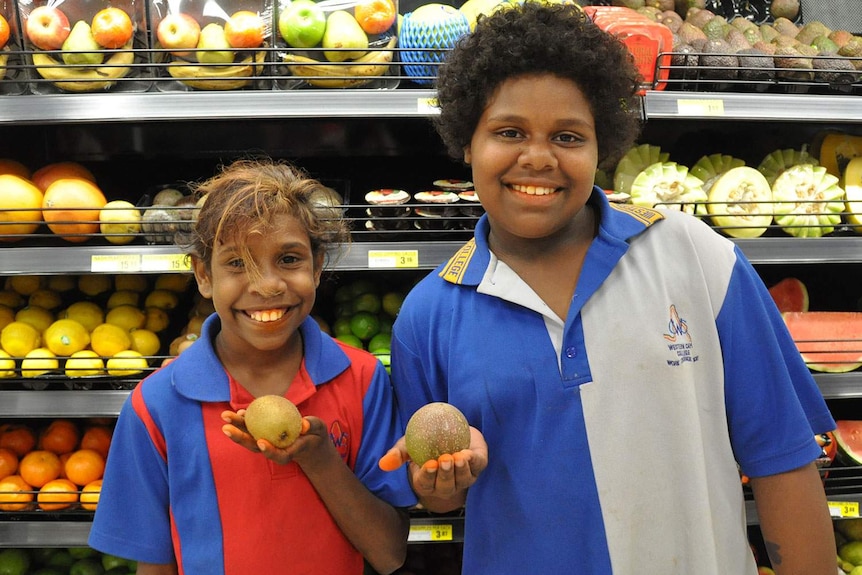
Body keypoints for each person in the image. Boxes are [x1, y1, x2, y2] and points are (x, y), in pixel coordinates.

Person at [378, 4, 837, 574]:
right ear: (466, 142)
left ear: (602, 148)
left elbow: (782, 460)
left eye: (568, 135)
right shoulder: (427, 317)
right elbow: (443, 497)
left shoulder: (697, 257)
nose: (537, 157)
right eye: (509, 132)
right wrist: (441, 481)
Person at [88, 158, 416, 575]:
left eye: (289, 259)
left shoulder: (363, 378)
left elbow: (389, 553)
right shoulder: (154, 405)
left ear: (318, 267)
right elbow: (154, 565)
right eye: (238, 263)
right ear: (204, 276)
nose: (266, 285)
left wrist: (320, 460)